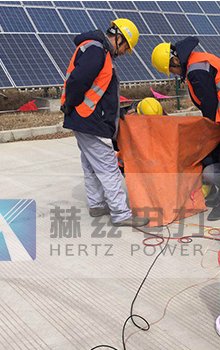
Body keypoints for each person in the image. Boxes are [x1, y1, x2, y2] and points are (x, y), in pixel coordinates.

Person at [151, 37, 220, 221]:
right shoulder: (195, 63)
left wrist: (208, 129)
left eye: (171, 70)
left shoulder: (195, 70)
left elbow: (209, 103)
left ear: (175, 60)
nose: (174, 74)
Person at [61, 19, 149, 227]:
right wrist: (70, 104)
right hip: (90, 119)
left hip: (84, 118)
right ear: (119, 38)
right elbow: (78, 81)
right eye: (126, 47)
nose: (124, 53)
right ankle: (121, 213)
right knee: (108, 167)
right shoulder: (97, 51)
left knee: (91, 166)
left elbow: (98, 91)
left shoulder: (99, 51)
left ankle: (97, 204)